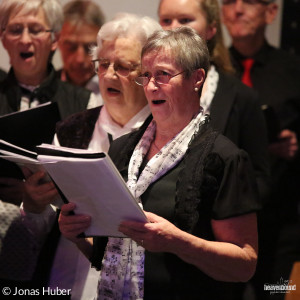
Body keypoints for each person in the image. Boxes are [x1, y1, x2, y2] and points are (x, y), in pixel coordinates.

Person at [59, 27, 260, 300]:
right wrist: (77, 236)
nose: (151, 86)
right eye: (146, 75)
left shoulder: (223, 158)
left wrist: (177, 242)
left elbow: (245, 264)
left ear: (197, 78)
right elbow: (106, 251)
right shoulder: (122, 149)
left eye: (163, 74)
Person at [16, 13, 161, 300]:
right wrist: (33, 205)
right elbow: (44, 227)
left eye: (122, 66)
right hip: (68, 280)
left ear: (149, 73)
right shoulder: (72, 130)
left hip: (142, 285)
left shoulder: (166, 135)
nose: (108, 75)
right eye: (103, 64)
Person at [222, 1, 300, 299]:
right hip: (225, 220)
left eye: (249, 1)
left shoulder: (293, 70)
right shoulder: (212, 72)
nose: (237, 10)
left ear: (271, 12)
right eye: (229, 2)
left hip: (279, 221)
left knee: (275, 293)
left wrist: (296, 146)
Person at [158, 0, 270, 203]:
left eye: (185, 20)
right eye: (166, 20)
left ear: (211, 29)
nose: (174, 28)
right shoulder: (148, 88)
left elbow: (259, 178)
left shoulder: (241, 96)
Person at [0, 0, 99, 205]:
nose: (25, 39)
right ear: (3, 38)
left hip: (61, 230)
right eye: (15, 30)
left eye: (35, 30)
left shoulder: (85, 101)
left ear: (54, 39)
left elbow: (89, 184)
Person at [57, 0, 105, 105]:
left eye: (89, 48)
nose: (80, 59)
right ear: (57, 41)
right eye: (71, 47)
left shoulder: (115, 89)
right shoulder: (45, 90)